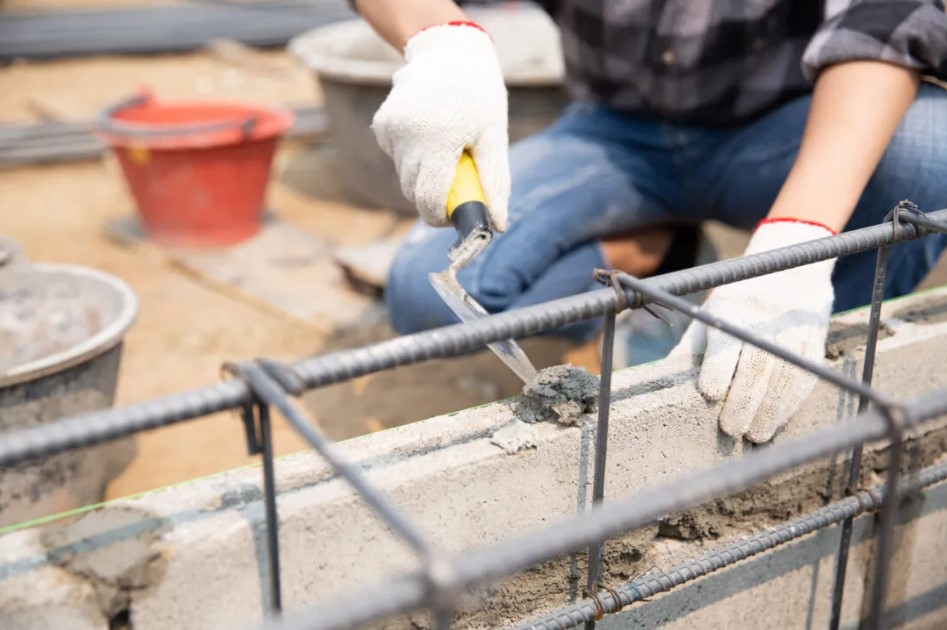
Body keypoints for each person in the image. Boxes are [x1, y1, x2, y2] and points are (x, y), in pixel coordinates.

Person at [349, 0, 947, 443]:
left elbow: (889, 19)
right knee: (424, 294)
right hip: (615, 136)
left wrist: (798, 238)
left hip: (782, 126)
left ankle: (791, 365)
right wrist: (441, 37)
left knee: (932, 147)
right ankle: (661, 253)